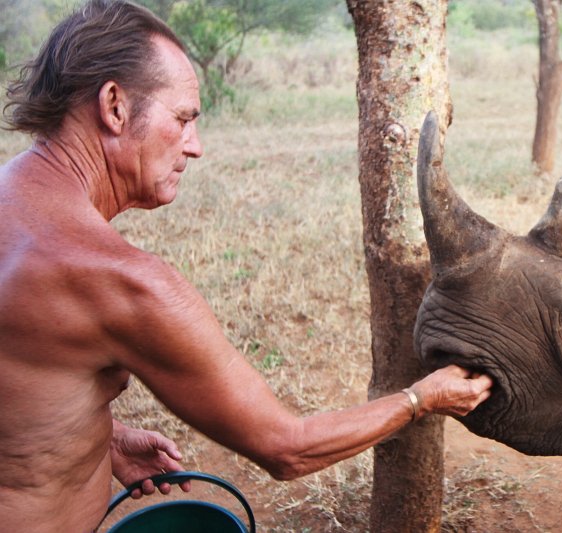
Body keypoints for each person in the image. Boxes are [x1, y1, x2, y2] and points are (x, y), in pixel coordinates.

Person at [0, 1, 493, 531]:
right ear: (115, 107)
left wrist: (100, 435)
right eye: (183, 119)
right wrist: (423, 397)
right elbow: (287, 448)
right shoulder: (119, 281)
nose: (196, 147)